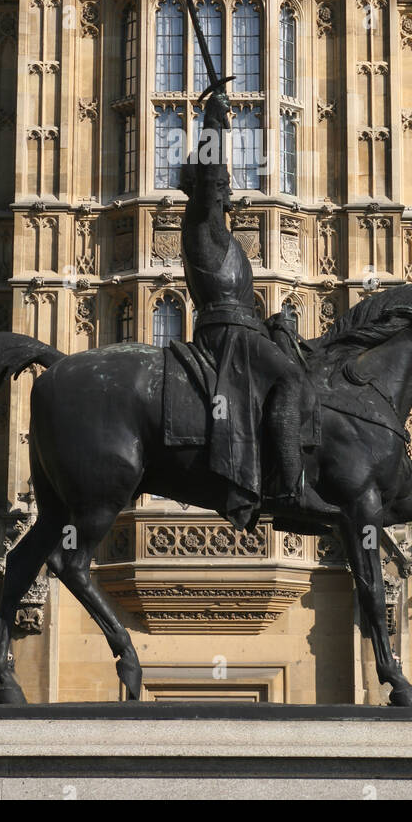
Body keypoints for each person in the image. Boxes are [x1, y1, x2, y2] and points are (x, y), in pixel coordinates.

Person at [177, 90, 318, 529]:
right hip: (226, 334)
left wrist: (275, 324)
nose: (229, 189)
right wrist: (215, 123)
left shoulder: (223, 238)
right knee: (291, 378)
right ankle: (291, 489)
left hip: (241, 328)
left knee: (302, 362)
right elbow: (208, 175)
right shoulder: (203, 223)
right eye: (222, 185)